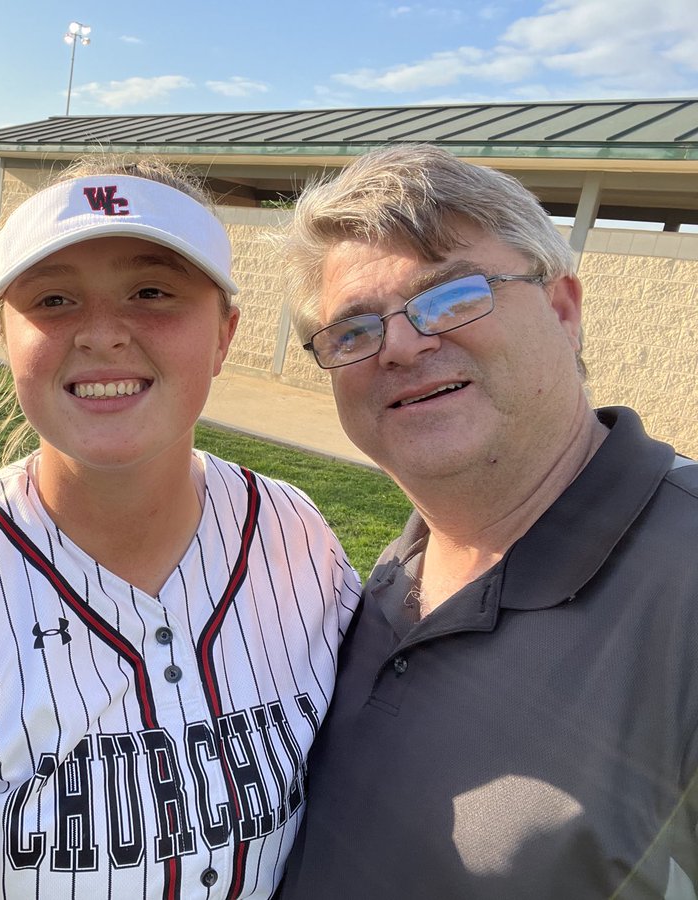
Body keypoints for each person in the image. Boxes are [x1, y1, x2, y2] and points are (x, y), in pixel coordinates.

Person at [0, 158, 361, 899]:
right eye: (53, 299)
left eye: (152, 292)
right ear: (6, 336)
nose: (100, 335)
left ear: (224, 334)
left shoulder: (297, 538)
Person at [274, 144, 698, 898]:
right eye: (354, 331)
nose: (401, 345)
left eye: (452, 296)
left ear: (563, 309)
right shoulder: (373, 583)